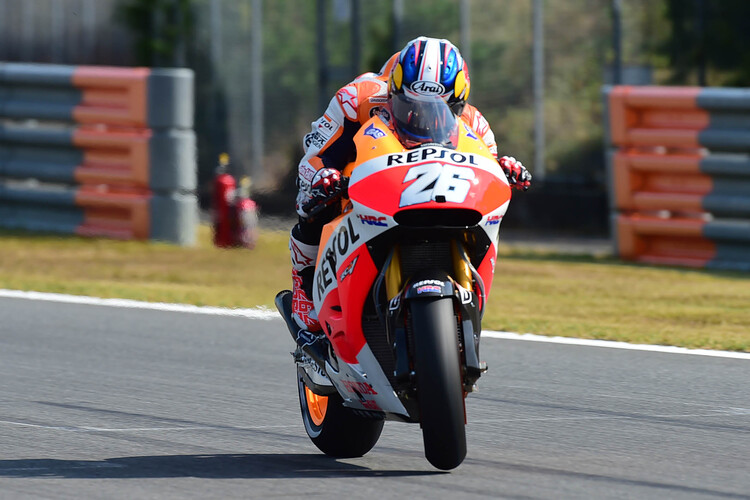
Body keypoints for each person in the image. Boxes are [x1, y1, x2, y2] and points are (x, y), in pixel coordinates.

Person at [289, 36, 532, 332]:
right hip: (363, 182)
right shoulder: (357, 99)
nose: (423, 117)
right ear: (394, 90)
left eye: (441, 109)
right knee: (313, 201)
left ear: (458, 103)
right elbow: (314, 156)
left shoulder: (474, 122)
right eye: (410, 104)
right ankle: (305, 286)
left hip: (435, 193)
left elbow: (487, 166)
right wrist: (323, 176)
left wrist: (504, 168)